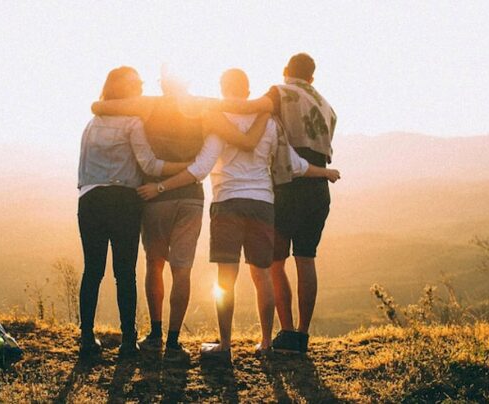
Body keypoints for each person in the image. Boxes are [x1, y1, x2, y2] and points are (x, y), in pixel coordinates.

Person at [137, 68, 340, 360]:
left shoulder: (219, 121)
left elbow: (201, 168)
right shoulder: (270, 123)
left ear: (223, 89)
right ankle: (266, 343)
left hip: (227, 203)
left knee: (226, 278)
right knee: (262, 275)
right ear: (248, 91)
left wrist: (161, 186)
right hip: (263, 204)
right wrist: (325, 172)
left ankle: (225, 346)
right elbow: (294, 165)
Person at [91, 69, 268, 361]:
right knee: (182, 269)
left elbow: (100, 107)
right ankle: (173, 343)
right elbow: (241, 117)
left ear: (163, 84)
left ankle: (155, 335)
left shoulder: (148, 105)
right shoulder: (203, 106)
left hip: (155, 196)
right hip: (191, 197)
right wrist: (266, 106)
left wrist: (98, 105)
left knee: (155, 264)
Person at [216, 53, 338, 354]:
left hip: (287, 185)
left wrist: (206, 107)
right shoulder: (326, 106)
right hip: (318, 186)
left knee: (275, 262)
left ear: (286, 71)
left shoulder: (279, 92)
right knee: (306, 259)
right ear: (312, 77)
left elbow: (247, 108)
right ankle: (302, 335)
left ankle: (285, 331)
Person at [77, 66, 189, 357]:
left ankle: (86, 338)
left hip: (90, 200)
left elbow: (83, 169)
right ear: (122, 88)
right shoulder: (133, 122)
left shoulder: (92, 123)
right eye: (135, 82)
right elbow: (149, 165)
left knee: (92, 270)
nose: (140, 86)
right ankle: (128, 340)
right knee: (125, 272)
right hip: (124, 201)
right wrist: (187, 168)